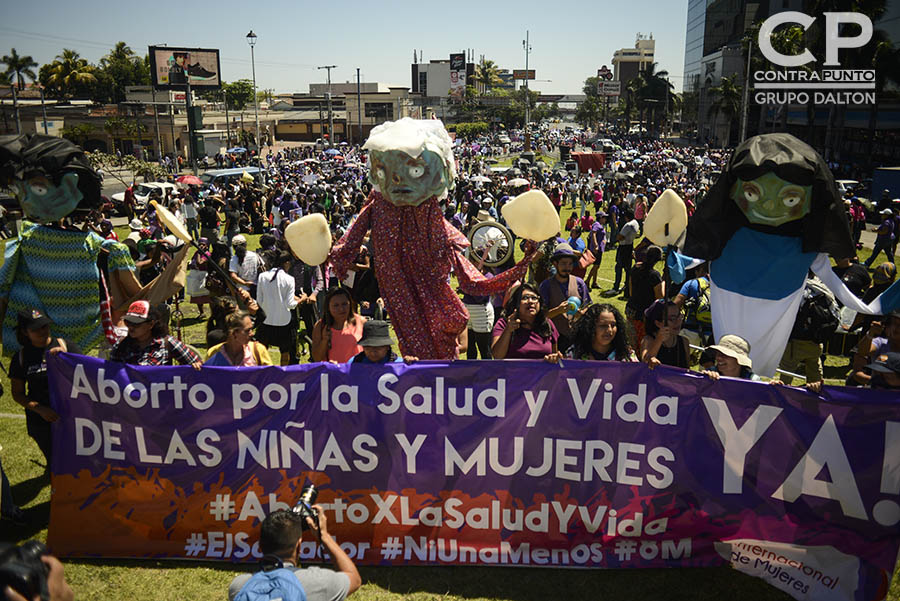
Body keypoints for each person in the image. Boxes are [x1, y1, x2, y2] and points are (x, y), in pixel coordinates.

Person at [227, 508, 361, 601]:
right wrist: (324, 536)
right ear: (299, 546)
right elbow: (354, 578)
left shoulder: (239, 586)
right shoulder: (319, 583)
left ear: (260, 546)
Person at [9, 310, 82, 468]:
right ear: (25, 332)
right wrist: (40, 409)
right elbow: (17, 394)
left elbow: (87, 374)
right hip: (40, 420)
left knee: (77, 459)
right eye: (36, 329)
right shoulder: (21, 358)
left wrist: (68, 359)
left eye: (44, 326)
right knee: (54, 461)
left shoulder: (66, 346)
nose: (42, 331)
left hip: (71, 415)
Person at [110, 301, 202, 368]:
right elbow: (110, 372)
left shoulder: (167, 343)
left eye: (136, 324)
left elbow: (198, 364)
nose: (131, 327)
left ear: (151, 324)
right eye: (128, 322)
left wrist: (195, 365)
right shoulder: (120, 345)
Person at [539, 243, 590, 354]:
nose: (567, 268)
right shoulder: (546, 286)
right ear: (555, 264)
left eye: (570, 264)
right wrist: (558, 310)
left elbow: (588, 306)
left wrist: (582, 314)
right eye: (563, 264)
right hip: (554, 338)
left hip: (577, 337)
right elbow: (541, 315)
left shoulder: (579, 283)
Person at [491, 283, 562, 362]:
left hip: (541, 374)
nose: (530, 301)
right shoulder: (504, 324)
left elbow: (555, 354)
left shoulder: (547, 324)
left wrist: (554, 358)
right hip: (512, 373)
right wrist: (508, 330)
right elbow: (497, 356)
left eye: (534, 298)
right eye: (525, 298)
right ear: (515, 304)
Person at [255, 251, 301, 365]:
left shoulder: (262, 276)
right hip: (284, 322)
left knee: (262, 352)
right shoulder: (289, 279)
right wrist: (301, 300)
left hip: (266, 321)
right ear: (286, 263)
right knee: (285, 353)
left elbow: (259, 301)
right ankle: (282, 376)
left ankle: (261, 374)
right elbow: (290, 304)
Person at [310, 287, 366, 363]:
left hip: (357, 371)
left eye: (344, 304)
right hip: (333, 373)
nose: (341, 309)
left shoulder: (361, 322)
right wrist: (324, 340)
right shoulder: (320, 326)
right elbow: (317, 358)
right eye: (336, 305)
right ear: (328, 307)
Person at [568, 303, 637, 361]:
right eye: (603, 326)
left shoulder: (626, 355)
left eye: (613, 325)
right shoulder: (575, 353)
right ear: (590, 327)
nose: (610, 330)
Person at [625, 245, 664, 347]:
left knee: (630, 340)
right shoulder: (655, 275)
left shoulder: (635, 268)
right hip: (644, 315)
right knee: (643, 343)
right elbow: (660, 298)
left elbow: (630, 291)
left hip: (631, 310)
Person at [205, 311, 273, 367]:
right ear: (234, 333)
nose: (252, 334)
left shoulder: (258, 351)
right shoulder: (214, 353)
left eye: (251, 329)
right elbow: (205, 377)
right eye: (247, 331)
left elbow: (272, 376)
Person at [851, 310, 900, 386]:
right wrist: (870, 334)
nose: (894, 328)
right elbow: (862, 352)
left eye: (899, 325)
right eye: (892, 324)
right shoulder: (880, 342)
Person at [640, 300, 690, 369]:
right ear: (658, 323)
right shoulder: (648, 340)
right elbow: (645, 362)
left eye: (679, 316)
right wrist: (659, 340)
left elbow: (687, 371)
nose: (678, 321)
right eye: (672, 319)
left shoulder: (684, 342)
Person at [348, 320, 417, 364]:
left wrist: (413, 367)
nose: (373, 351)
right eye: (368, 347)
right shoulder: (354, 363)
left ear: (387, 347)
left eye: (378, 347)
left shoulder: (399, 364)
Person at [612, 216, 640, 294]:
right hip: (630, 246)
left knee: (619, 267)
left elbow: (620, 236)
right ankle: (627, 286)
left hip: (623, 247)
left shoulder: (628, 225)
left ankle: (616, 287)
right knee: (628, 268)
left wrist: (616, 237)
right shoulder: (636, 223)